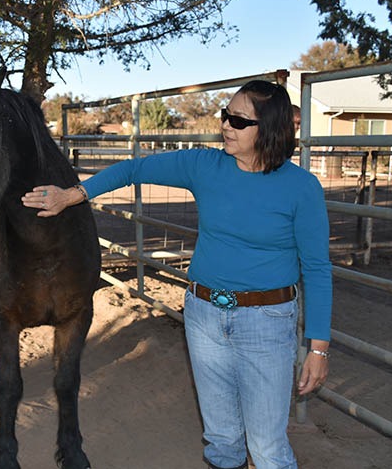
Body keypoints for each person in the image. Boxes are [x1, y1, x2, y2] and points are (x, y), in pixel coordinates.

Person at [21, 80, 332, 469]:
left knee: (268, 448)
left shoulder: (301, 188)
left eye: (238, 120)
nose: (226, 126)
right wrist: (73, 195)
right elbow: (133, 169)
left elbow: (318, 269)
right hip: (203, 316)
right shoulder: (204, 165)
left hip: (266, 323)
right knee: (221, 440)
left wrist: (317, 348)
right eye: (225, 115)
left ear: (268, 128)